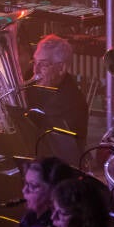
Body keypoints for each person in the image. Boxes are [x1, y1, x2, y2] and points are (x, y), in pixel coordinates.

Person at [25, 34, 89, 165]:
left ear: (61, 68)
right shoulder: (32, 81)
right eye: (35, 62)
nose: (35, 70)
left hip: (55, 168)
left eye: (43, 64)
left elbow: (59, 151)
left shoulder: (73, 102)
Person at [5, 157, 75, 227]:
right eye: (25, 183)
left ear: (54, 191)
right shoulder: (30, 218)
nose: (24, 190)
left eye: (33, 186)